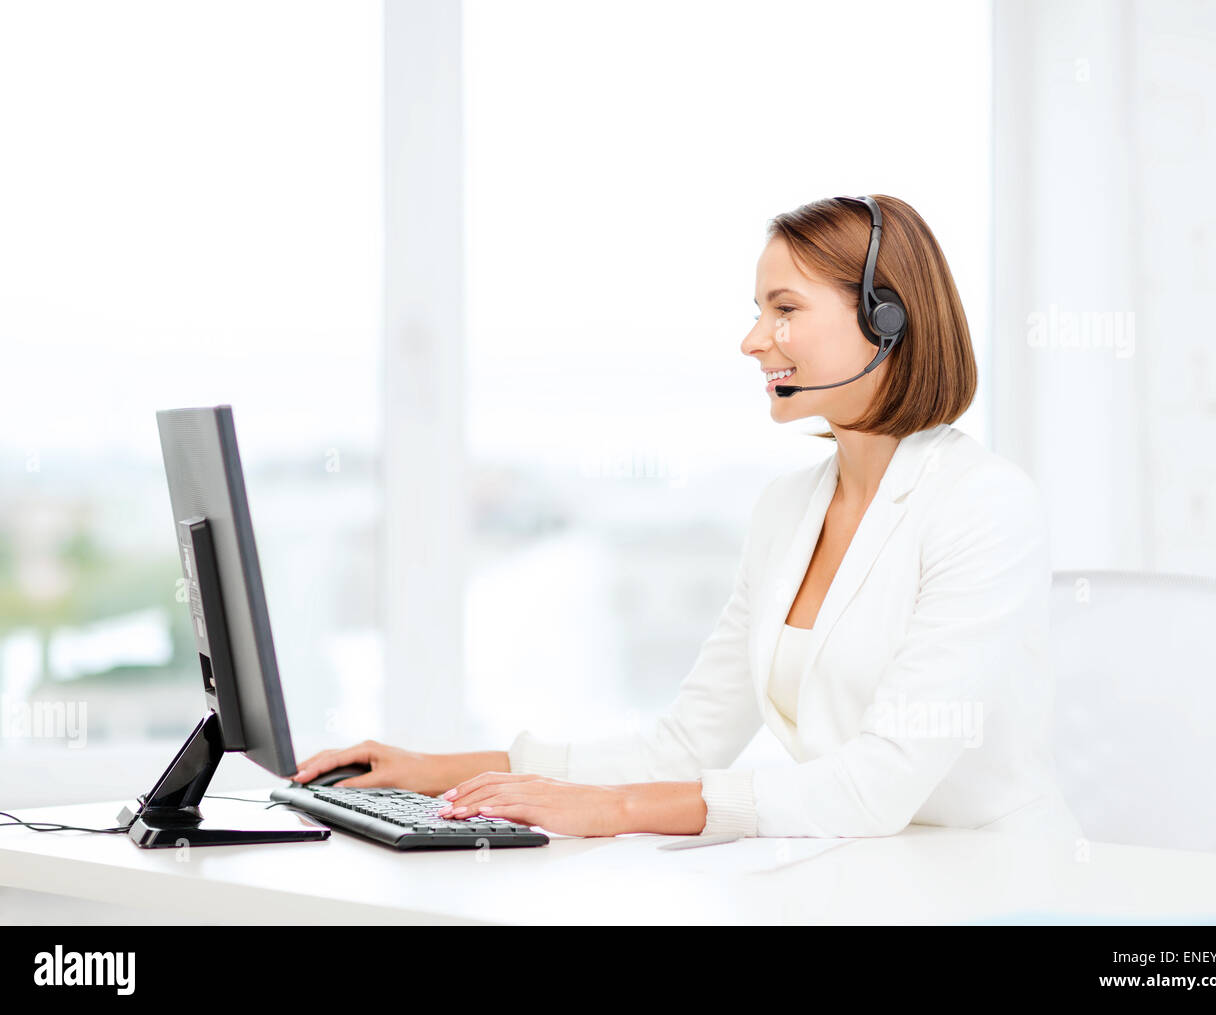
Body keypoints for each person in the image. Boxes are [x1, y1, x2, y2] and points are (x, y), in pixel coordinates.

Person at [293, 194, 1082, 844]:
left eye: (784, 309)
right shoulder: (787, 511)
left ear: (886, 319)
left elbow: (875, 785)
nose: (752, 340)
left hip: (993, 886)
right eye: (756, 310)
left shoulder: (983, 504)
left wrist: (619, 810)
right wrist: (430, 770)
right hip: (855, 881)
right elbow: (681, 746)